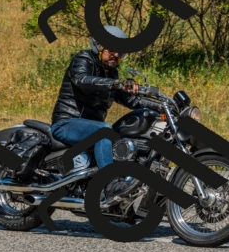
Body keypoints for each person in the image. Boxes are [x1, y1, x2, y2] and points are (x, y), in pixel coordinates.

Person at [50, 25, 162, 199]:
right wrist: (115, 84)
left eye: (120, 52)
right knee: (104, 131)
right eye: (111, 49)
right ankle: (110, 185)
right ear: (98, 46)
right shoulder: (83, 59)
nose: (116, 55)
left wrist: (161, 106)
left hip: (91, 127)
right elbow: (82, 80)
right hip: (67, 122)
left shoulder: (112, 73)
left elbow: (131, 100)